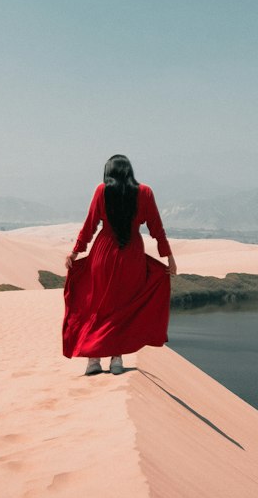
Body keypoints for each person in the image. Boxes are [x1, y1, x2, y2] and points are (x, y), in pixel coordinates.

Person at [62, 155, 177, 375]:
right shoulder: (145, 192)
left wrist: (76, 251)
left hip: (103, 253)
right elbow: (156, 228)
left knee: (97, 305)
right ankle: (116, 359)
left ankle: (93, 360)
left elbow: (90, 225)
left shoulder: (102, 190)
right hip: (131, 255)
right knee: (122, 307)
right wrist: (168, 257)